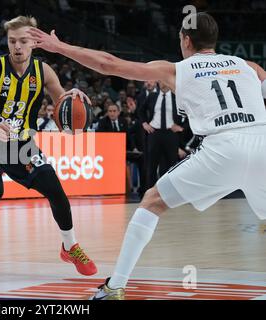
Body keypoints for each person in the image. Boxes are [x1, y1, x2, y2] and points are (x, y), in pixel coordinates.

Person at [29, 12, 266, 300]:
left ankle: (115, 287)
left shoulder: (178, 69)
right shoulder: (249, 66)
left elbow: (109, 64)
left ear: (186, 40)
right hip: (261, 143)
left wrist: (61, 48)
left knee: (152, 201)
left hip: (223, 147)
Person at [0, 16, 97, 276]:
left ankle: (69, 246)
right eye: (12, 41)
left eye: (23, 41)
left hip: (21, 145)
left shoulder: (43, 71)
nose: (17, 47)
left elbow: (62, 102)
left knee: (56, 191)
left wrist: (73, 97)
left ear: (34, 42)